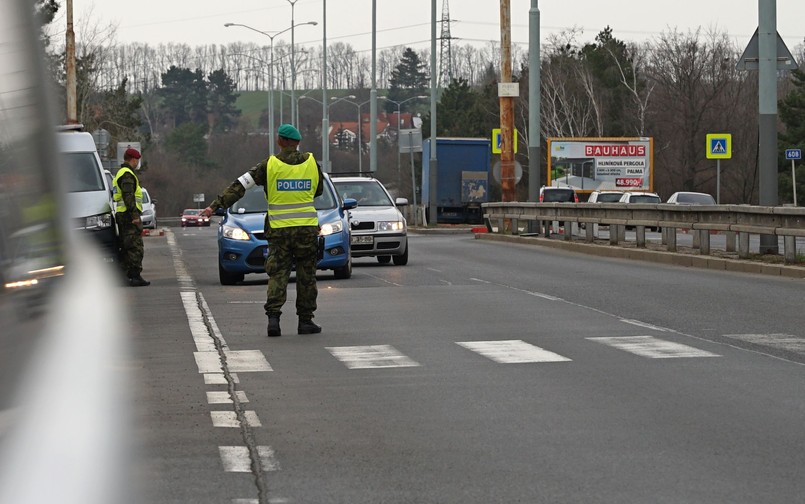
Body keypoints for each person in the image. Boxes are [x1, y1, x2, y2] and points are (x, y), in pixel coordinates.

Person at [200, 124, 324, 337]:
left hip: (279, 231)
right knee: (307, 275)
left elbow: (240, 186)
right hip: (306, 230)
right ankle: (305, 321)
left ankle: (274, 320)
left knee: (278, 274)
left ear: (280, 141)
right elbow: (319, 190)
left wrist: (215, 205)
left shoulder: (269, 165)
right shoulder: (312, 163)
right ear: (297, 142)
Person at [113, 148, 150, 287]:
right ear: (132, 159)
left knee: (126, 246)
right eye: (137, 160)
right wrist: (135, 216)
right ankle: (134, 276)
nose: (138, 162)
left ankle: (125, 276)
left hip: (124, 215)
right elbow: (128, 196)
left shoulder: (121, 172)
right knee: (135, 247)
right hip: (128, 216)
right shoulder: (127, 174)